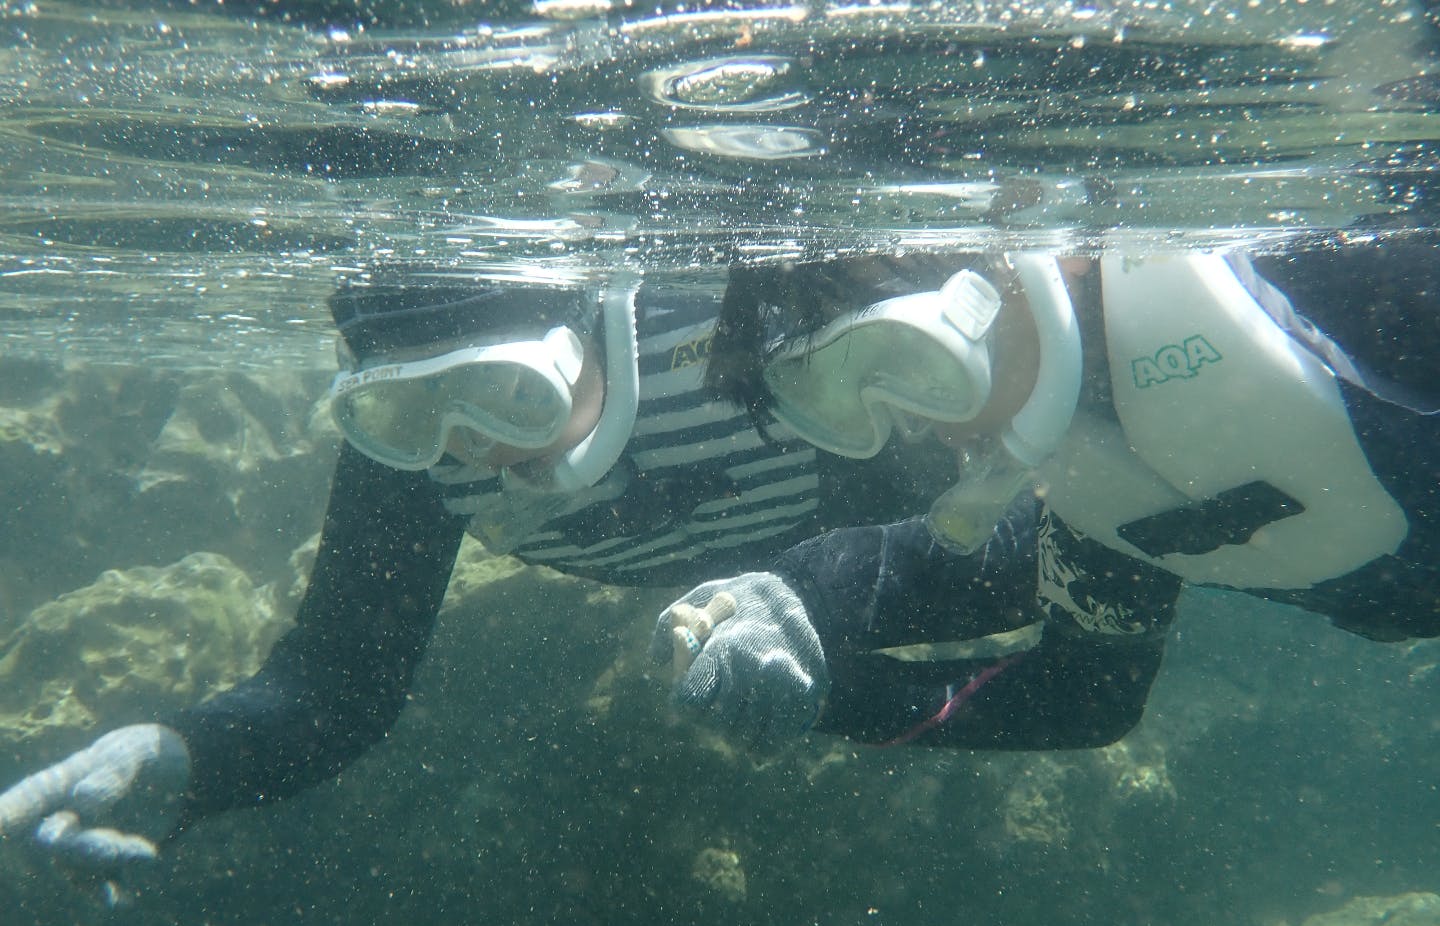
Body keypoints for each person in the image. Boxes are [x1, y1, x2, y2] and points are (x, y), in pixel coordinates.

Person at [0, 264, 964, 893]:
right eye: (407, 410)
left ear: (596, 332)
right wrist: (189, 756)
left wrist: (821, 626)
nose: (473, 446)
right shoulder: (415, 462)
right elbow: (339, 684)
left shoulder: (756, 330)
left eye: (509, 392)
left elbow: (962, 528)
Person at [651, 239, 1440, 751]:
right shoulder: (1093, 491)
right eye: (835, 400)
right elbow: (1083, 691)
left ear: (1031, 260)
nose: (908, 422)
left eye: (898, 353)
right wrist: (802, 627)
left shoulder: (1348, 279)